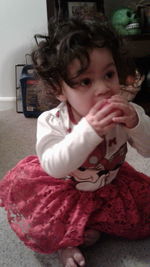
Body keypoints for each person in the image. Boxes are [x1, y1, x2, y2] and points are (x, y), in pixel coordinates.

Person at [0, 17, 150, 267]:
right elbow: (54, 166)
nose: (103, 88)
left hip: (108, 183)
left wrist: (136, 123)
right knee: (42, 225)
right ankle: (67, 242)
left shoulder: (128, 112)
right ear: (60, 90)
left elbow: (148, 150)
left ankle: (94, 225)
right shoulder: (52, 121)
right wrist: (89, 130)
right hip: (65, 190)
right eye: (85, 81)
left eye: (109, 74)